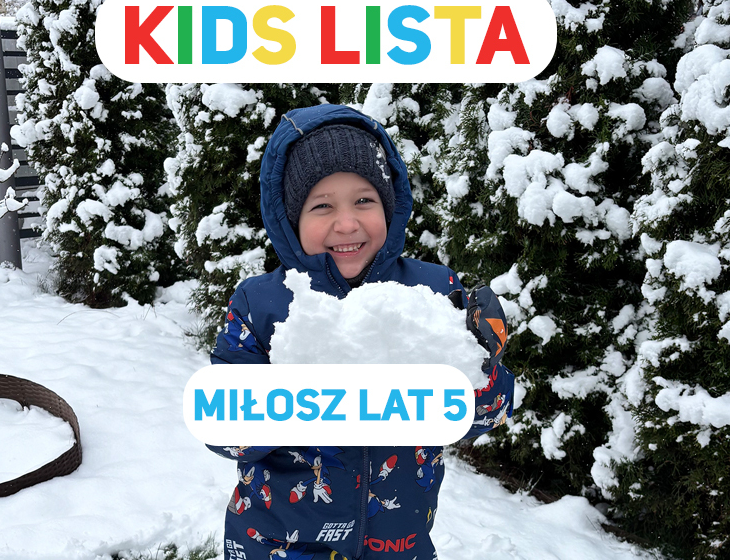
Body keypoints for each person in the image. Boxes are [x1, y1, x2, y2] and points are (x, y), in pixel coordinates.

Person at [208, 103, 514, 560]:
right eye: (322, 206)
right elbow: (223, 427)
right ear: (290, 219)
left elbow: (484, 415)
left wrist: (480, 371)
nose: (347, 223)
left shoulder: (432, 292)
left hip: (399, 542)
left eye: (364, 201)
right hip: (279, 543)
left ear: (389, 206)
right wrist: (299, 392)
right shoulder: (262, 304)